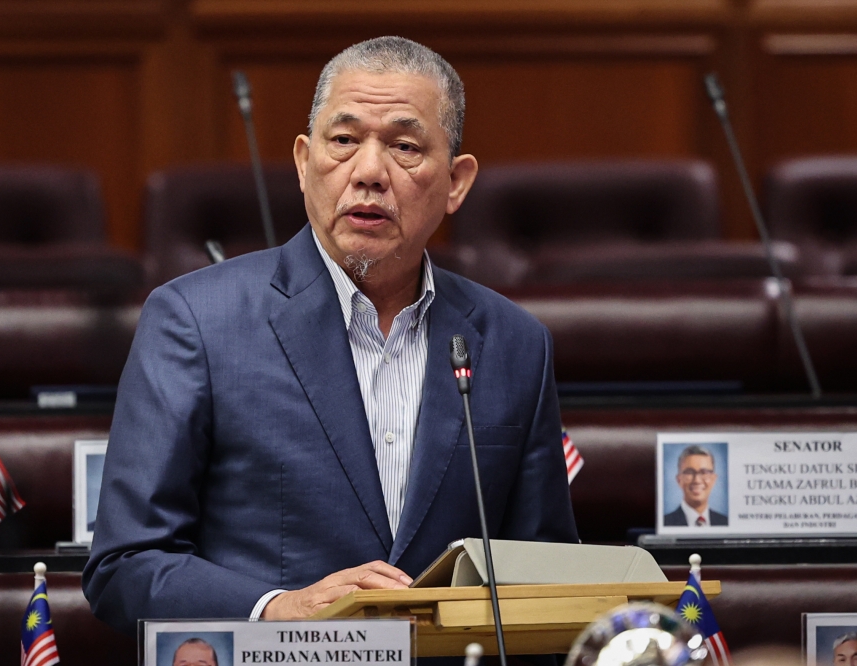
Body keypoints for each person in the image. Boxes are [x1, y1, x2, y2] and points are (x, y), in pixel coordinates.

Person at [84, 35, 577, 636]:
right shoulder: (195, 320)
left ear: (456, 182)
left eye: (404, 146)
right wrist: (277, 609)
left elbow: (548, 578)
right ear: (303, 160)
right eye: (343, 141)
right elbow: (125, 563)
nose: (368, 172)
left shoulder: (514, 343)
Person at [664, 445, 728, 527]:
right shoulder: (666, 523)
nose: (697, 480)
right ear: (679, 480)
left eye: (704, 472)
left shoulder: (725, 522)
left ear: (713, 479)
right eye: (689, 472)